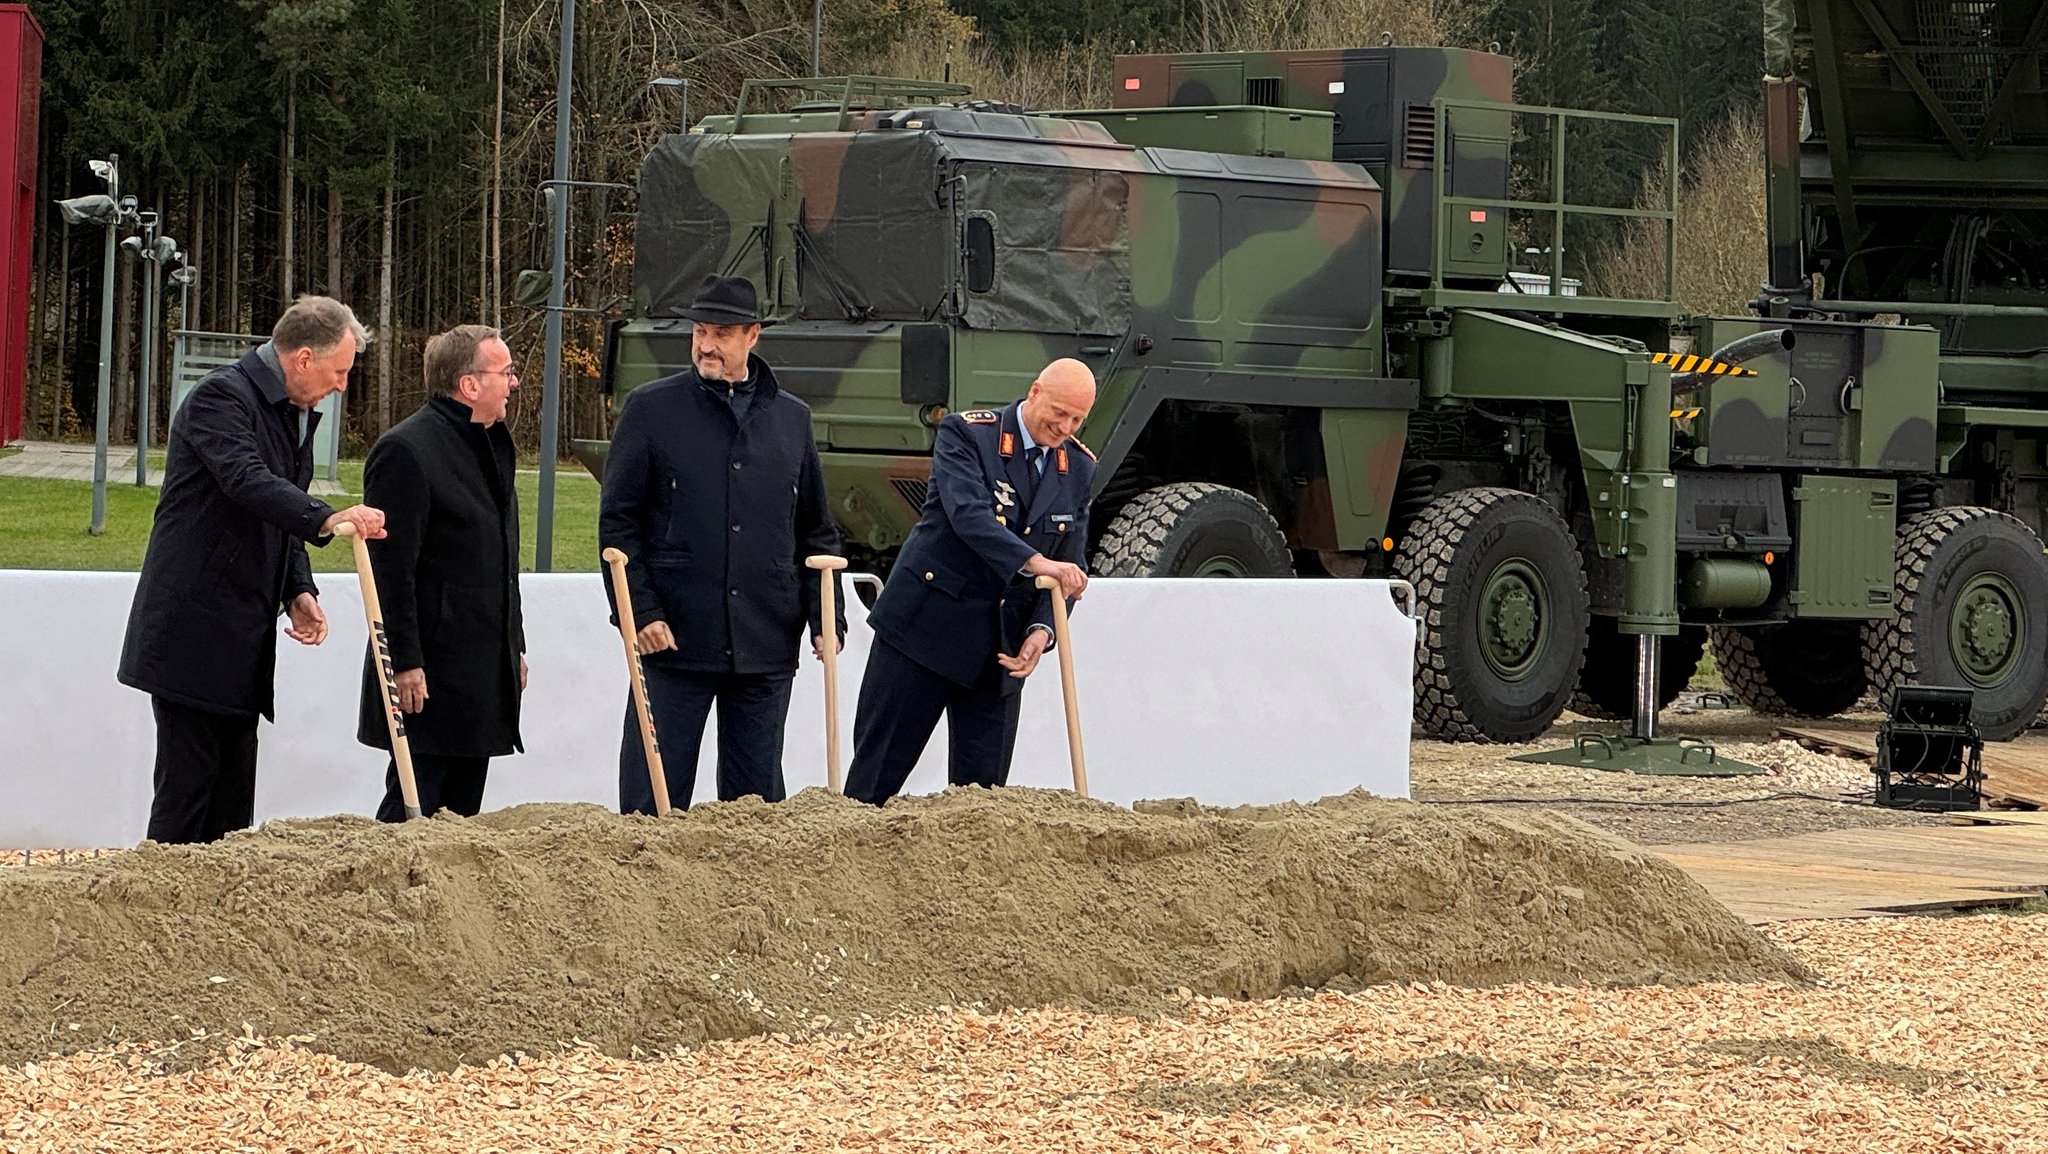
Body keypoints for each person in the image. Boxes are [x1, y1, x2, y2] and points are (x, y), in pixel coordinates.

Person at [119, 295, 386, 845]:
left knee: (231, 803)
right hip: (191, 631)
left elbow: (278, 507)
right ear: (305, 358)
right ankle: (159, 914)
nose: (342, 387)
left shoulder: (292, 414)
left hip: (242, 636)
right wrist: (328, 517)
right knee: (187, 795)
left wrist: (297, 589)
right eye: (339, 372)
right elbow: (245, 480)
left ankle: (218, 923)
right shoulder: (220, 398)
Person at [599, 274, 844, 812]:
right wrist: (638, 611)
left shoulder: (792, 419)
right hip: (673, 638)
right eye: (700, 331)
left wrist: (827, 617)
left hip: (765, 640)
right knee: (651, 802)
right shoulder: (650, 410)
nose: (707, 344)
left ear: (753, 336)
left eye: (722, 333)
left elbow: (816, 530)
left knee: (755, 808)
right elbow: (618, 524)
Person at [843, 358, 1096, 804]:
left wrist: (1042, 629)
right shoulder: (968, 434)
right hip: (924, 631)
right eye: (1059, 413)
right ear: (1034, 392)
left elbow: (1069, 564)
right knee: (872, 785)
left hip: (999, 652)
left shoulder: (1077, 467)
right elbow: (969, 517)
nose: (1065, 426)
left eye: (1077, 419)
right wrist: (1037, 563)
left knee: (982, 806)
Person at [355, 325, 527, 821]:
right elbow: (390, 571)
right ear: (470, 384)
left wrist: (512, 645)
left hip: (479, 669)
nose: (513, 383)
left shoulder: (492, 443)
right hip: (428, 673)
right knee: (413, 808)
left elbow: (500, 560)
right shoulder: (406, 451)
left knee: (462, 816)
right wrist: (404, 662)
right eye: (506, 372)